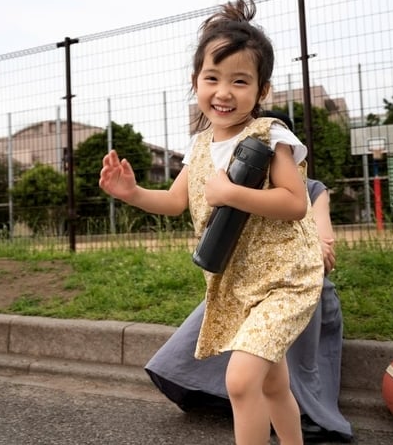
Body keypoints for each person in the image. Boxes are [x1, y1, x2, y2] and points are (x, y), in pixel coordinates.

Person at [99, 0, 323, 445]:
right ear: (195, 81)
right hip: (240, 284)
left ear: (262, 91)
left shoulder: (269, 136)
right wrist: (133, 192)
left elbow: (295, 203)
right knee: (272, 383)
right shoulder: (201, 146)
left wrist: (233, 193)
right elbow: (176, 201)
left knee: (241, 381)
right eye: (212, 78)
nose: (223, 92)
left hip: (286, 279)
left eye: (240, 82)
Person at [144, 175, 354, 443]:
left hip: (295, 282)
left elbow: (324, 245)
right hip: (252, 283)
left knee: (254, 378)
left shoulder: (310, 189)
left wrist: (310, 246)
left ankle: (306, 409)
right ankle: (230, 397)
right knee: (260, 372)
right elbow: (180, 203)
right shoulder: (238, 177)